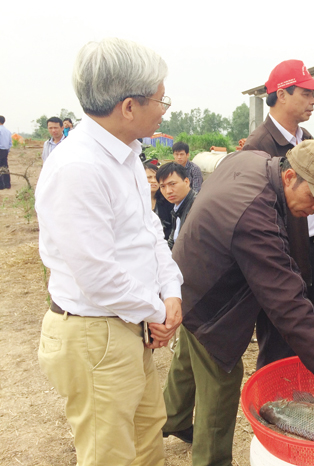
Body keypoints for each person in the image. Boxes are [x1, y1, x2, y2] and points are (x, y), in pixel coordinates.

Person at [168, 139, 314, 466]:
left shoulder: (253, 160)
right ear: (291, 176)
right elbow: (287, 303)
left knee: (187, 357)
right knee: (219, 384)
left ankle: (172, 418)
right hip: (208, 301)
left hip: (185, 281)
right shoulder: (254, 215)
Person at [34, 38, 182, 466]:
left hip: (131, 323)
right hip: (96, 332)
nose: (165, 108)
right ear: (129, 107)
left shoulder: (127, 156)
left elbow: (149, 231)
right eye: (160, 98)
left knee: (146, 434)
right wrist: (156, 310)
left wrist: (170, 292)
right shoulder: (79, 168)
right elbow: (96, 275)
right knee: (110, 453)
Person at [242, 59, 314, 369]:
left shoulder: (307, 140)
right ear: (282, 94)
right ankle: (275, 404)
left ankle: (302, 400)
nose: (313, 102)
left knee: (312, 329)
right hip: (284, 254)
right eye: (306, 94)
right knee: (281, 337)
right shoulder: (259, 146)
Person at [156, 162, 197, 250]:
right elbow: (172, 242)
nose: (168, 191)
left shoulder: (195, 208)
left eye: (172, 184)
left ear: (186, 182)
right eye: (162, 186)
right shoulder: (177, 208)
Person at [144, 162, 174, 240]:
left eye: (155, 177)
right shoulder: (135, 202)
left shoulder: (168, 201)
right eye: (149, 177)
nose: (153, 181)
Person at [0, 115, 11, 189]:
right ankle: (7, 184)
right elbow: (10, 143)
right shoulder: (8, 131)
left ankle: (1, 185)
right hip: (5, 150)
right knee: (4, 166)